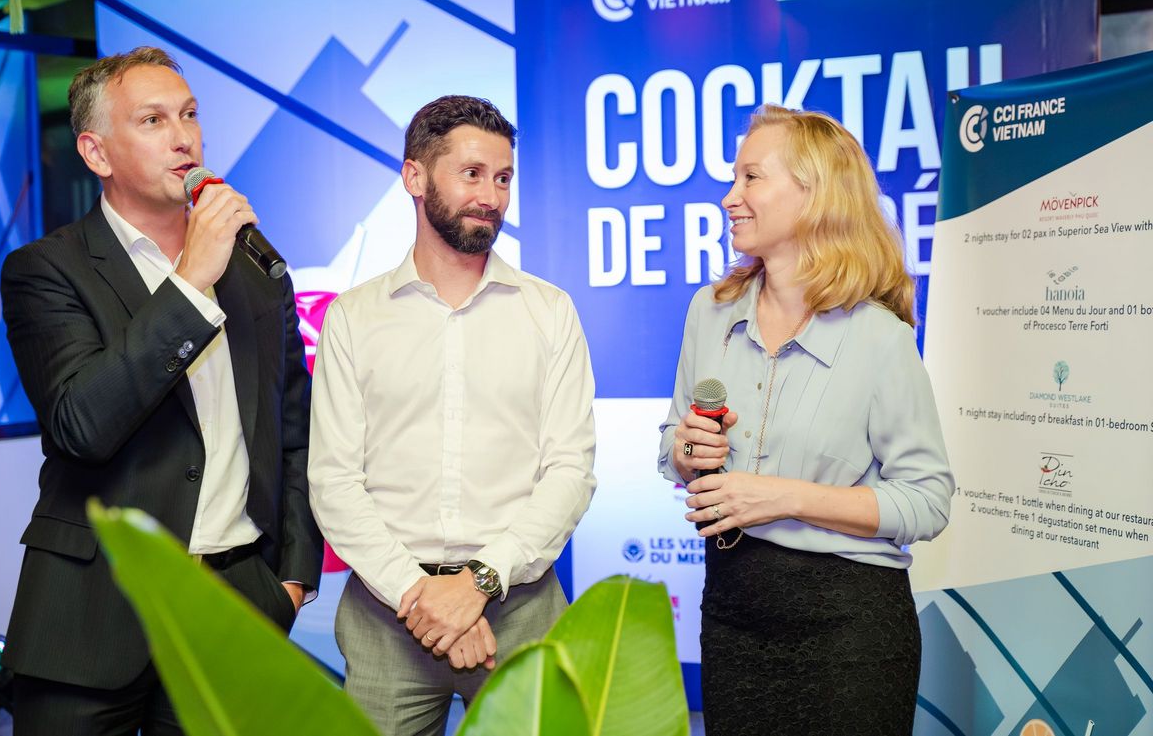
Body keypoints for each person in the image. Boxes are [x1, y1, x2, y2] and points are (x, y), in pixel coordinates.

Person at [0, 46, 323, 735]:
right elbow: (82, 424)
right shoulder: (46, 269)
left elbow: (295, 432)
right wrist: (189, 283)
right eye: (152, 120)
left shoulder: (255, 270)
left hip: (235, 600)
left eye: (190, 115)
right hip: (89, 613)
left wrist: (291, 582)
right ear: (96, 153)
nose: (184, 138)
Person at [658, 104, 954, 734]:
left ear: (813, 193)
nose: (730, 197)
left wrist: (783, 497)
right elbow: (672, 449)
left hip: (850, 629)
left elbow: (928, 501)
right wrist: (685, 451)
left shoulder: (879, 337)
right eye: (734, 179)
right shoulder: (709, 312)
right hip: (732, 611)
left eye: (751, 177)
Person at [308, 95, 597, 735]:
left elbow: (569, 471)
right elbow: (334, 482)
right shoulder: (354, 318)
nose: (491, 197)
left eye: (503, 178)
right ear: (414, 177)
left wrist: (478, 585)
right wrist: (422, 597)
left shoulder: (550, 312)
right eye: (471, 174)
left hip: (521, 609)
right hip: (386, 614)